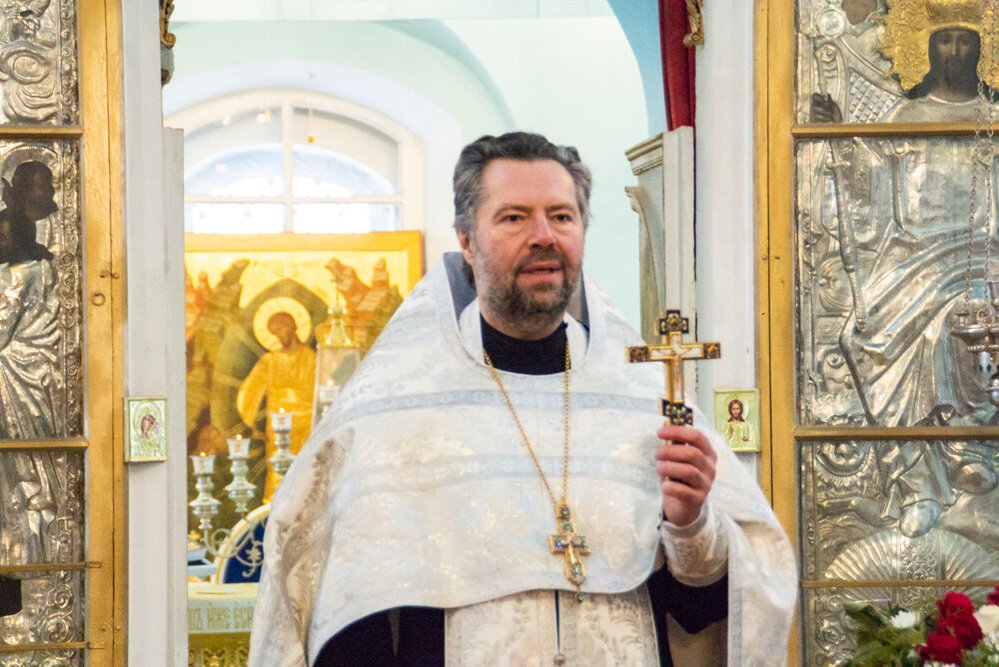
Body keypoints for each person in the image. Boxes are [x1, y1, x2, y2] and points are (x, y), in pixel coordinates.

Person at [249, 133, 795, 666]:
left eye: (562, 216)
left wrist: (690, 521)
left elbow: (702, 613)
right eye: (514, 217)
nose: (544, 236)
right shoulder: (394, 411)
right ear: (467, 241)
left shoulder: (642, 399)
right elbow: (349, 620)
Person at [0, 160, 60, 619]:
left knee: (22, 478)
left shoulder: (29, 271)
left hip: (23, 385)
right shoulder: (24, 267)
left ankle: (22, 566)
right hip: (22, 383)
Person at [237, 310, 317, 499]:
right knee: (277, 473)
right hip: (279, 427)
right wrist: (251, 423)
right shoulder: (270, 361)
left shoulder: (313, 358)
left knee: (306, 470)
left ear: (293, 327)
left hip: (307, 425)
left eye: (282, 329)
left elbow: (325, 390)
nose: (280, 335)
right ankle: (272, 509)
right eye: (275, 332)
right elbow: (249, 391)